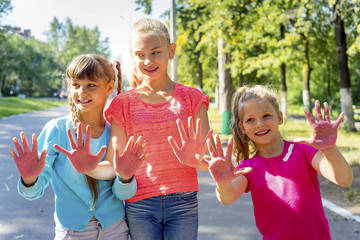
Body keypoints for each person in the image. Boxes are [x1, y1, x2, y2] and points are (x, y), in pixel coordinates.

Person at [9, 54, 146, 240]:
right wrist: (29, 179)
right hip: (71, 232)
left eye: (91, 85)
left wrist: (126, 178)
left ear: (109, 87)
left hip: (115, 230)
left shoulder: (116, 134)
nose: (82, 91)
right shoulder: (56, 130)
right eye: (75, 85)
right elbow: (33, 192)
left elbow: (122, 193)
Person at [198, 85, 353, 240]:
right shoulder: (247, 168)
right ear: (242, 127)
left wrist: (330, 150)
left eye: (266, 115)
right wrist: (223, 182)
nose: (259, 124)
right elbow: (227, 198)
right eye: (250, 119)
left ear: (279, 117)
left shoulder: (304, 152)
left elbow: (344, 180)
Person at [104, 18, 212, 240]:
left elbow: (210, 160)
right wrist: (90, 167)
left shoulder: (193, 99)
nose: (148, 60)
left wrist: (197, 160)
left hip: (183, 202)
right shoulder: (123, 103)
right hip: (140, 203)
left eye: (155, 52)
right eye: (140, 54)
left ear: (171, 51)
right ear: (132, 57)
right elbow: (115, 160)